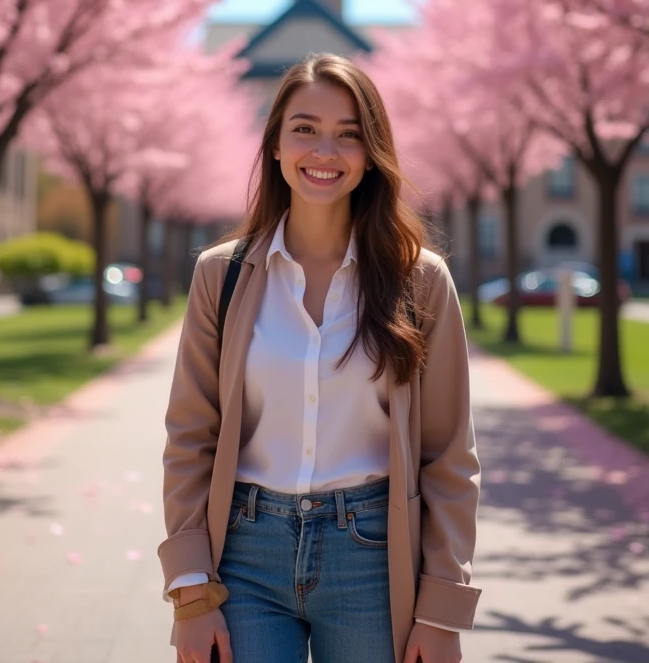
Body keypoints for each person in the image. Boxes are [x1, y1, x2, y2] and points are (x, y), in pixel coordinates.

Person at [158, 52, 481, 663]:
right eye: (304, 128)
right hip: (244, 558)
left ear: (372, 154)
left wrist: (441, 609)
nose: (324, 151)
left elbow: (448, 457)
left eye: (349, 135)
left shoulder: (421, 282)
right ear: (276, 146)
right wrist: (191, 590)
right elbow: (189, 438)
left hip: (373, 558)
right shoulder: (219, 276)